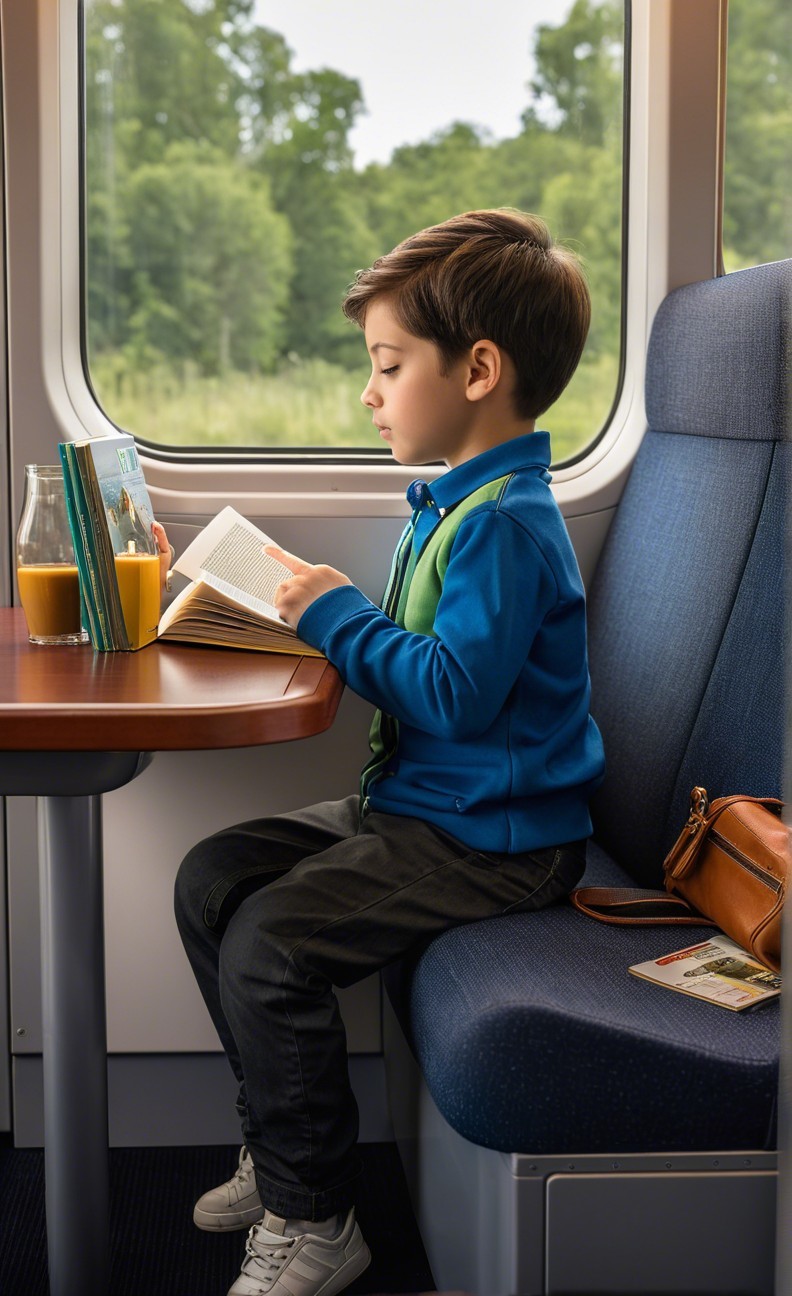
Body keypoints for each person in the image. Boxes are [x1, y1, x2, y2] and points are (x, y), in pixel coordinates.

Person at [173, 208, 606, 1296]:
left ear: (478, 369)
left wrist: (334, 617)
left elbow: (458, 697)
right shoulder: (449, 503)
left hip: (497, 841)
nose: (369, 393)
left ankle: (317, 1220)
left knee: (270, 942)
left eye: (388, 364)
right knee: (213, 879)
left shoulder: (507, 522)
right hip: (426, 812)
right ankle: (282, 1158)